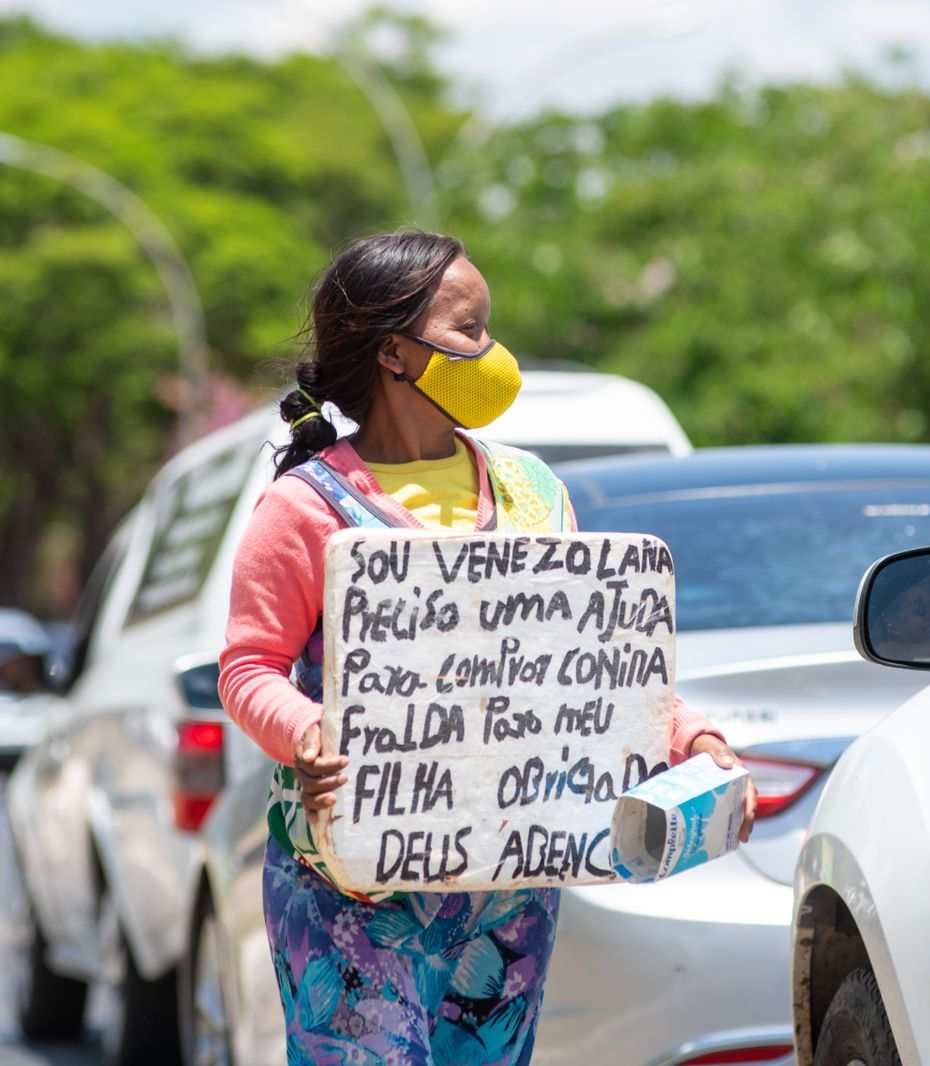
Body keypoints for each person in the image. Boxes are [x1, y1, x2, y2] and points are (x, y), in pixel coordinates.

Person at [218, 231, 755, 1064]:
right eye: (470, 332)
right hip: (351, 885)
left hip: (507, 890)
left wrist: (692, 738)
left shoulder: (534, 492)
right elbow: (249, 667)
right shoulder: (305, 508)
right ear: (396, 352)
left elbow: (595, 666)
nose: (494, 354)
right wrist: (307, 732)